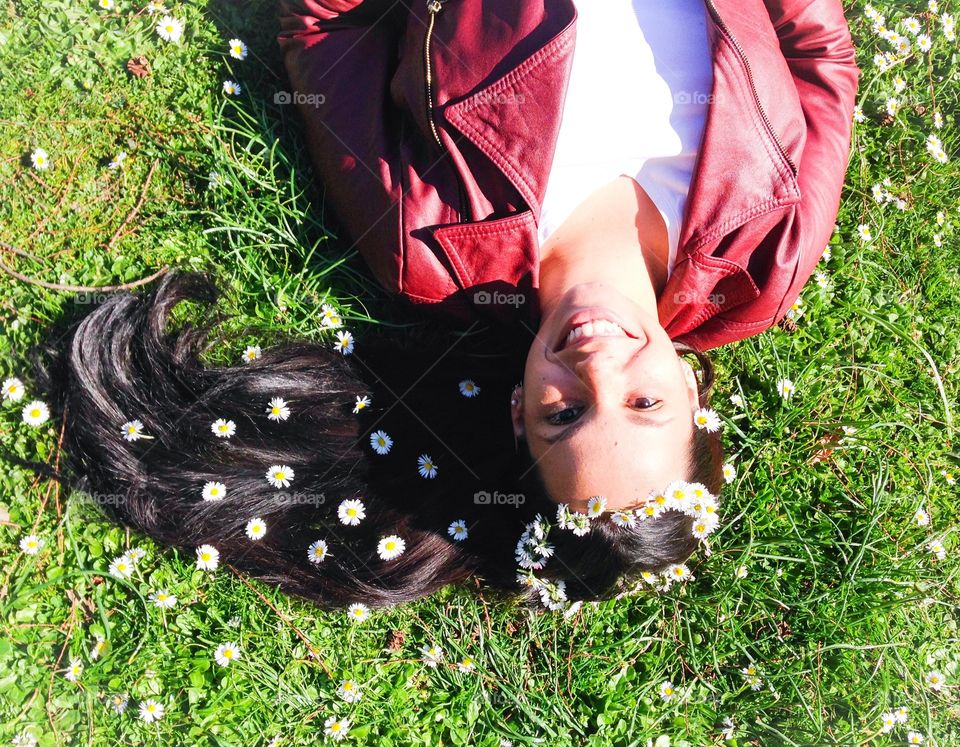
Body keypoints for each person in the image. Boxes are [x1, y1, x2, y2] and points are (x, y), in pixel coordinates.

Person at [31, 0, 858, 611]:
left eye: (563, 414)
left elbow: (324, 29)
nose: (597, 365)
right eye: (644, 403)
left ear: (515, 410)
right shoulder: (766, 258)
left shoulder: (422, 244)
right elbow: (819, 60)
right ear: (692, 390)